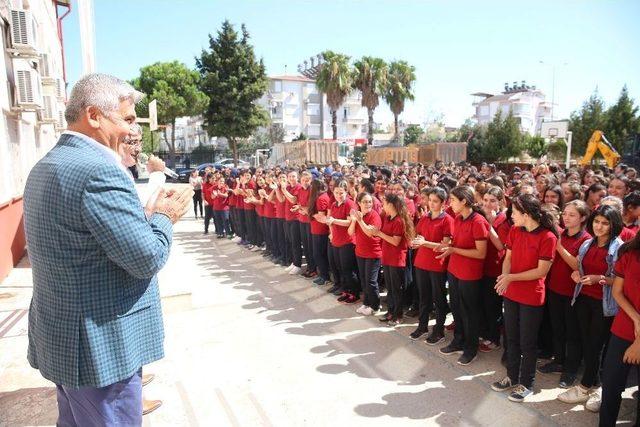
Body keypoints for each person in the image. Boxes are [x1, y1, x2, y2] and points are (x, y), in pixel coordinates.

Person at [23, 73, 192, 426]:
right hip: (100, 349)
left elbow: (84, 240)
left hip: (65, 339)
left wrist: (141, 217)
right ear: (94, 116)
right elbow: (147, 257)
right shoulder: (100, 170)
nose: (133, 131)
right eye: (128, 119)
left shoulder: (47, 165)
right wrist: (163, 217)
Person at [557, 205, 624, 412]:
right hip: (583, 298)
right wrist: (576, 275)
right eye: (597, 221)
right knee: (587, 343)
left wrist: (600, 279)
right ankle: (593, 384)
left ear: (614, 225)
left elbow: (621, 279)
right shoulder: (587, 243)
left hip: (604, 305)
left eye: (605, 223)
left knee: (597, 345)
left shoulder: (619, 247)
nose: (599, 226)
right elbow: (579, 267)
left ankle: (590, 386)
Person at [492, 194, 558, 403]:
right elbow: (508, 258)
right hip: (512, 293)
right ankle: (512, 377)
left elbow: (541, 271)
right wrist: (505, 278)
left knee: (527, 342)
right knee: (511, 338)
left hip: (531, 296)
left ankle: (526, 383)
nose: (511, 216)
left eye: (515, 212)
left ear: (527, 214)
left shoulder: (548, 237)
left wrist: (510, 277)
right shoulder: (514, 230)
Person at [540, 200, 591, 388]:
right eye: (565, 214)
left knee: (572, 333)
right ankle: (558, 361)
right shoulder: (560, 234)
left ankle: (571, 369)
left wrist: (559, 246)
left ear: (583, 218)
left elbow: (578, 265)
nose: (566, 218)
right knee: (557, 329)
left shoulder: (585, 239)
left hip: (573, 294)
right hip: (555, 289)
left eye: (572, 215)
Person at [437, 185, 488, 366]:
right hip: (455, 270)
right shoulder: (458, 218)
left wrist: (453, 249)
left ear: (464, 201)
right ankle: (458, 340)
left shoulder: (478, 221)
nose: (450, 203)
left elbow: (480, 253)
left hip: (469, 274)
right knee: (456, 308)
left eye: (453, 200)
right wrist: (447, 249)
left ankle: (471, 348)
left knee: (470, 312)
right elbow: (454, 244)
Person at [600, 231, 640, 426]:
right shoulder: (630, 252)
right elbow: (617, 291)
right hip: (623, 328)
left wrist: (639, 343)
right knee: (610, 385)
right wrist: (636, 318)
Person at [410, 187, 454, 343]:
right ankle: (422, 326)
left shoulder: (447, 220)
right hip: (421, 262)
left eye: (435, 201)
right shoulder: (425, 217)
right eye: (430, 200)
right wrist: (416, 243)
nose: (431, 204)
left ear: (443, 203)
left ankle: (439, 330)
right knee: (424, 297)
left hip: (437, 264)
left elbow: (444, 245)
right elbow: (419, 235)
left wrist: (424, 243)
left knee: (439, 298)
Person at [373, 193, 415, 326]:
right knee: (390, 288)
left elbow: (395, 241)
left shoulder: (399, 220)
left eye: (385, 203)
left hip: (396, 259)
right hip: (387, 257)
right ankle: (391, 311)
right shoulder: (388, 217)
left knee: (396, 289)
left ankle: (398, 315)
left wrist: (379, 233)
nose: (383, 205)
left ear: (391, 205)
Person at [349, 192, 383, 315]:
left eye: (370, 201)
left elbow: (370, 233)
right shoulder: (358, 215)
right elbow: (350, 232)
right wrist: (354, 221)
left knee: (371, 281)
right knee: (363, 280)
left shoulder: (375, 216)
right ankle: (366, 303)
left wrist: (360, 220)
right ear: (359, 203)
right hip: (360, 252)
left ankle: (375, 305)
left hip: (373, 253)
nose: (368, 204)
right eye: (365, 202)